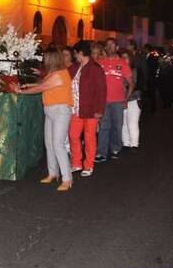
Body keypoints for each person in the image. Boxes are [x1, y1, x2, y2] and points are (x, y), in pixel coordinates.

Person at [15, 49, 73, 191]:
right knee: (49, 143)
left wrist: (21, 91)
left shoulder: (60, 74)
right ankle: (53, 173)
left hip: (60, 111)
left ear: (52, 60)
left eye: (46, 58)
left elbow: (41, 87)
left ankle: (67, 179)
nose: (44, 60)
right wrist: (28, 85)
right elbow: (42, 83)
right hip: (50, 110)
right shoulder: (53, 73)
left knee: (58, 144)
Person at [67, 41, 106, 177]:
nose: (74, 56)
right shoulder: (74, 67)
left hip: (90, 110)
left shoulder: (96, 68)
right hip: (75, 109)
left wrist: (99, 110)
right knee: (73, 135)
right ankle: (76, 162)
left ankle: (88, 165)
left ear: (81, 53)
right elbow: (61, 77)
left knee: (89, 138)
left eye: (75, 53)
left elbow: (101, 91)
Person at [95, 38, 134, 163]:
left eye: (112, 45)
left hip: (118, 101)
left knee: (117, 126)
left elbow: (131, 83)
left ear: (117, 48)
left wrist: (126, 99)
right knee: (103, 127)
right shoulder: (100, 62)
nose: (109, 47)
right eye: (107, 45)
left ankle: (115, 149)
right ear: (105, 48)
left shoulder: (122, 63)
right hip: (103, 101)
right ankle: (101, 152)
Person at [119, 49, 142, 153]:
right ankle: (126, 143)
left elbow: (133, 84)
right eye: (122, 57)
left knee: (132, 122)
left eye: (126, 57)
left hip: (133, 99)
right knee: (123, 123)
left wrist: (125, 98)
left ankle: (134, 144)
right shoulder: (119, 70)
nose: (124, 60)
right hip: (121, 99)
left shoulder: (133, 70)